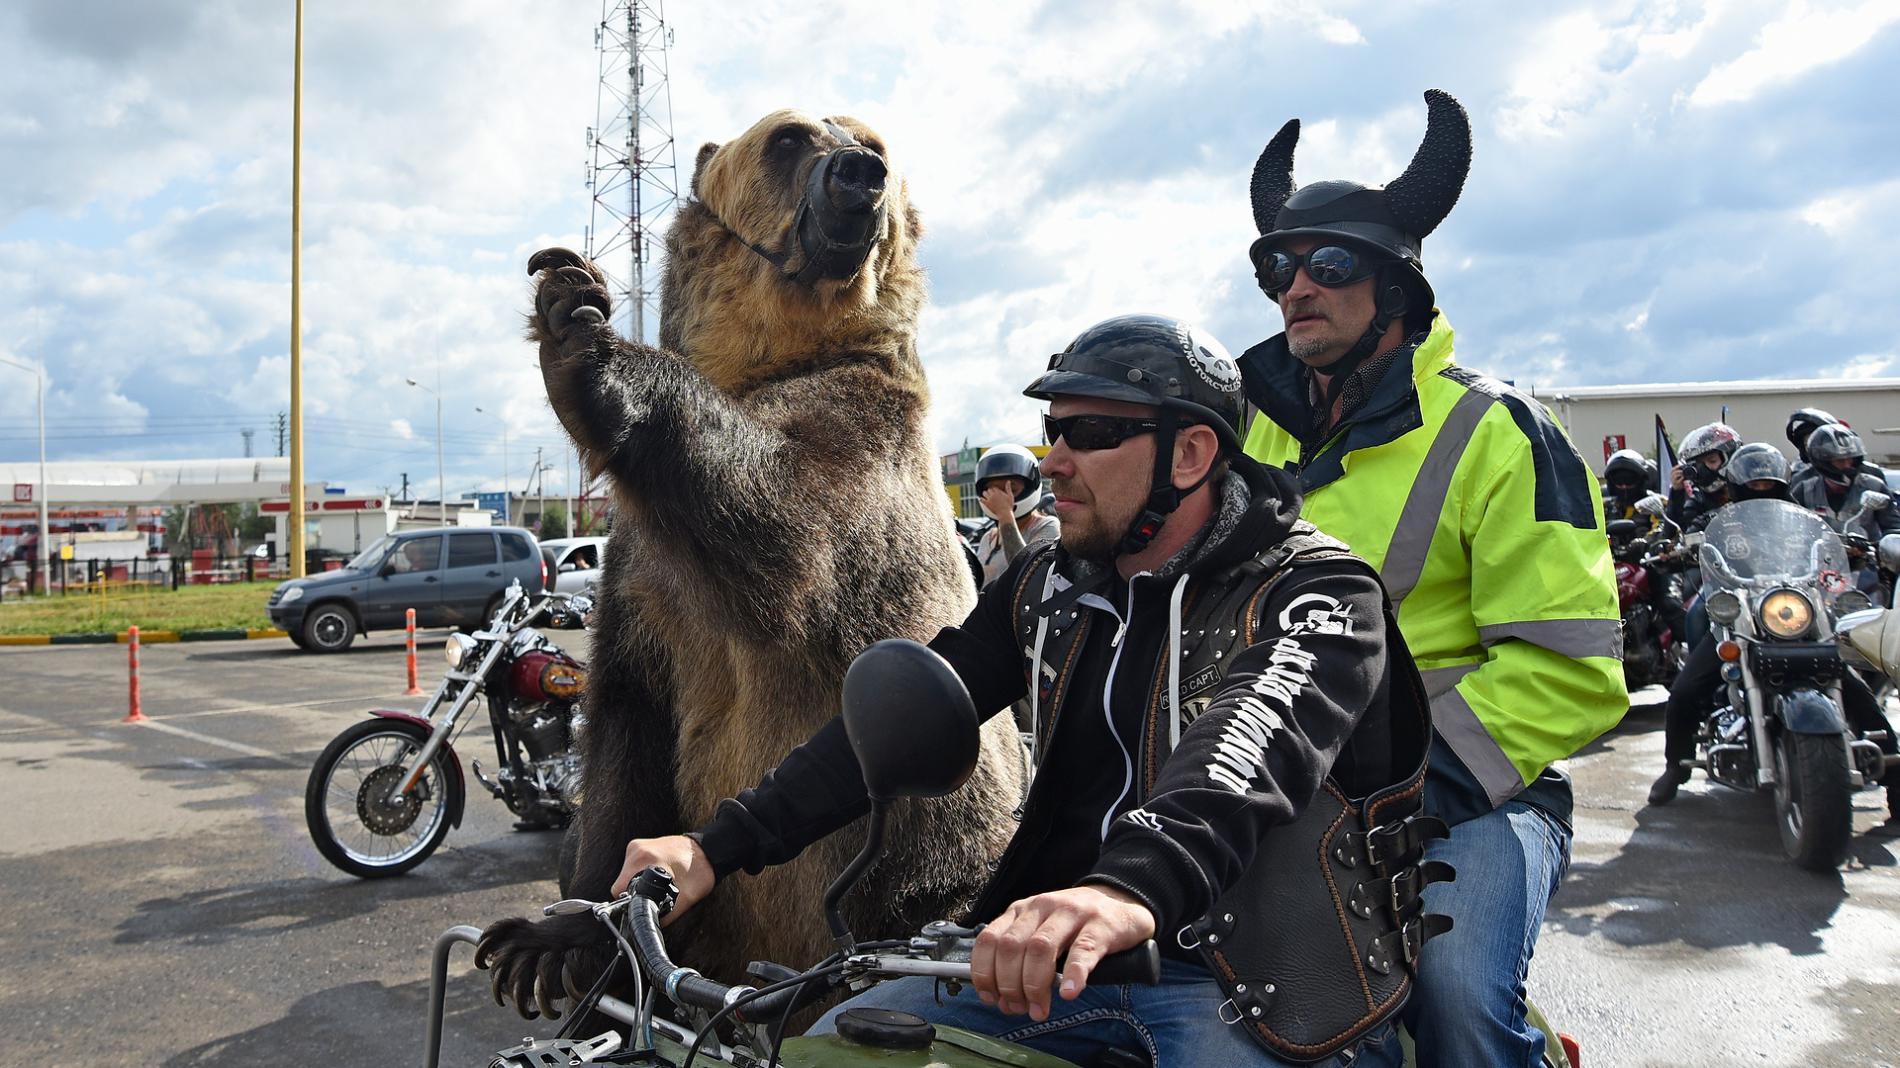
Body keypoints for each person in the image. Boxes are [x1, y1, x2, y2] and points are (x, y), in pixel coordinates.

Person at [601, 314, 1441, 1068]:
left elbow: (1247, 744)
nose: (1054, 461)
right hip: (1051, 966)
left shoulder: (1316, 594)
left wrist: (1124, 891)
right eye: (1053, 428)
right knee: (835, 1045)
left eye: (1094, 431)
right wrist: (716, 846)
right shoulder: (1051, 585)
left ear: (1191, 454)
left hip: (1253, 987)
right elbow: (919, 703)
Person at [1235, 90, 1626, 1067]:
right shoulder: (1235, 433)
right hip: (1266, 791)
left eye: (1328, 265)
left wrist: (1409, 791)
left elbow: (1567, 669)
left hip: (1465, 800)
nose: (1296, 287)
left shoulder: (1498, 433)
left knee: (1454, 1006)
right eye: (1277, 266)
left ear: (1396, 292)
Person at [1649, 444, 1900, 819]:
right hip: (1741, 618)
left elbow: (1829, 544)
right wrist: (1674, 547)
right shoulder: (1719, 520)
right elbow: (1690, 540)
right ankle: (1675, 766)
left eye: (1769, 485)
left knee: (1857, 693)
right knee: (1685, 691)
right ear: (1737, 486)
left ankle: (1896, 786)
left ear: (1782, 485)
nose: (1762, 492)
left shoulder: (1802, 520)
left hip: (1796, 614)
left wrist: (1853, 547)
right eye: (1754, 487)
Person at [972, 443, 1060, 587]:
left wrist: (1005, 515)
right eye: (994, 491)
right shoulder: (988, 539)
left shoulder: (1047, 525)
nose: (1002, 497)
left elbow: (1028, 573)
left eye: (1011, 489)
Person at [1670, 422, 1741, 533]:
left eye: (1712, 461)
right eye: (1698, 464)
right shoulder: (1698, 500)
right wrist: (1676, 493)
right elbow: (1677, 534)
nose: (1704, 469)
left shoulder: (1747, 489)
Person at [1785, 407, 1842, 480]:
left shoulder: (1849, 467)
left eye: (1817, 441)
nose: (1812, 447)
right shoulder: (1799, 473)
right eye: (1806, 443)